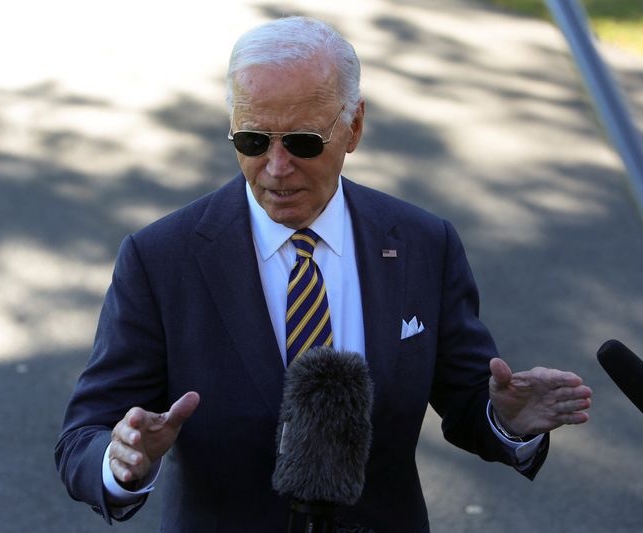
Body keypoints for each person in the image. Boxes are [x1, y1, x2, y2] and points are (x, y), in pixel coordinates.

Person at [55, 16, 592, 532]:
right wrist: (119, 459)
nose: (277, 166)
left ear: (354, 125)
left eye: (303, 141)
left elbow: (470, 399)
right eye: (253, 140)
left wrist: (507, 419)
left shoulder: (425, 243)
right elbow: (83, 436)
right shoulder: (159, 259)